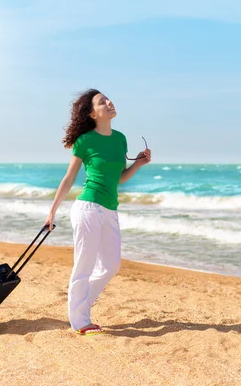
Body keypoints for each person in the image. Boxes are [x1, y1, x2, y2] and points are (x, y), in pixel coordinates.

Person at [44, 89, 151, 336]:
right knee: (84, 266)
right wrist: (52, 213)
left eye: (109, 99)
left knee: (112, 265)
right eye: (103, 102)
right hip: (88, 208)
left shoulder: (120, 139)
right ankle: (80, 320)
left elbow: (118, 179)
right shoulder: (85, 141)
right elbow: (69, 178)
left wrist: (138, 163)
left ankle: (80, 306)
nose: (109, 102)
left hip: (110, 209)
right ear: (93, 113)